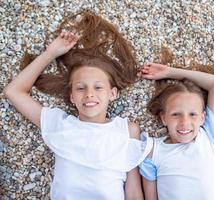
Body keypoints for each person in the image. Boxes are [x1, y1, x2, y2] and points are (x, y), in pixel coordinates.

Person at [4, 12, 152, 199]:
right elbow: (13, 92)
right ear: (72, 97)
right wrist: (50, 53)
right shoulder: (60, 124)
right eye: (81, 88)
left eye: (98, 87)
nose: (89, 93)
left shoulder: (127, 129)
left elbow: (133, 186)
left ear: (112, 93)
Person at [138, 62, 214, 200]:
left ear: (203, 118)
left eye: (192, 114)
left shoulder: (209, 136)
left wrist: (169, 72)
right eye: (176, 114)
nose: (184, 122)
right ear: (164, 118)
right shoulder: (153, 151)